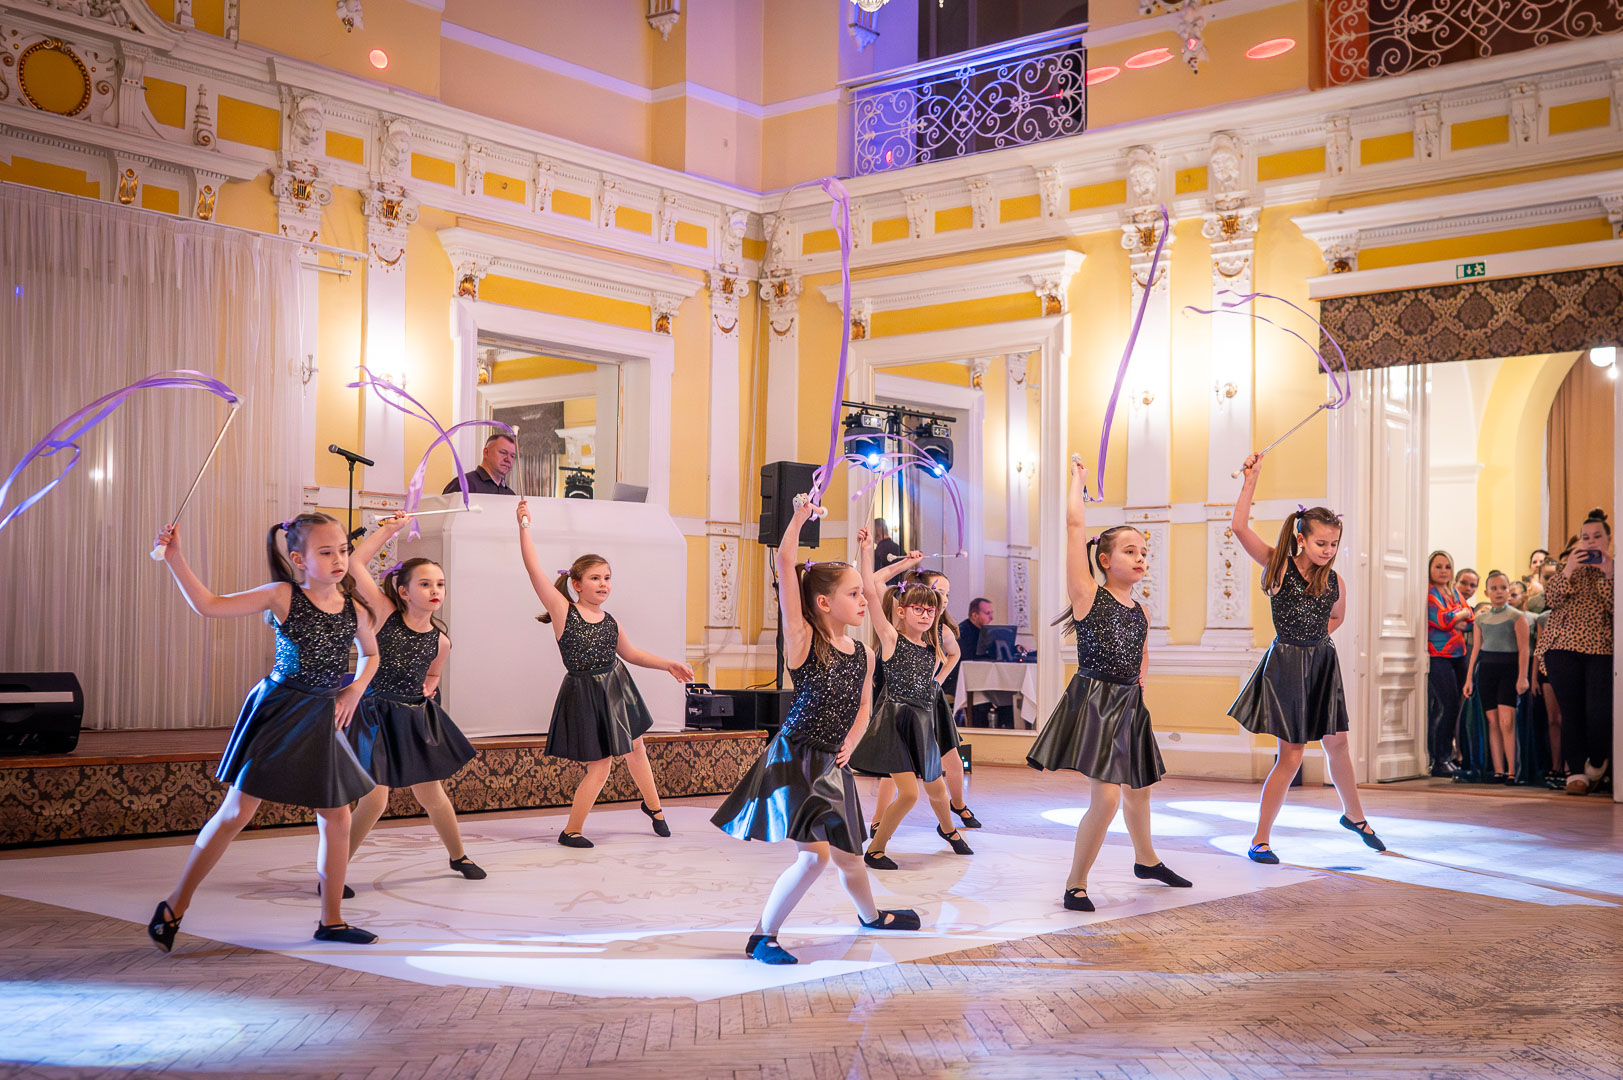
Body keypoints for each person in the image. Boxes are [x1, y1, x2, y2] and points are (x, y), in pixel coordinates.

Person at [148, 512, 384, 952]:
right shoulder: (282, 595)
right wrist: (175, 557)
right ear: (299, 559)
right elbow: (209, 605)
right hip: (281, 710)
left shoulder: (355, 608)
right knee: (237, 813)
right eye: (326, 552)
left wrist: (354, 689)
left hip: (325, 715)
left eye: (343, 551)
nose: (338, 560)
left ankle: (331, 921)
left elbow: (371, 654)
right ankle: (173, 906)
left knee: (338, 816)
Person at [712, 493, 922, 965]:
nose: (864, 600)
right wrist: (799, 517)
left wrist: (852, 741)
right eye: (854, 594)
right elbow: (785, 563)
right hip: (798, 758)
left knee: (849, 854)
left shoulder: (865, 654)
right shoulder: (803, 639)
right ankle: (762, 936)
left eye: (863, 593)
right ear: (824, 602)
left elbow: (864, 706)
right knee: (815, 857)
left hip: (833, 761)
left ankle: (871, 916)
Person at [1026, 459, 1191, 911]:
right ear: (1104, 560)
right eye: (1130, 551)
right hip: (1096, 702)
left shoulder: (1142, 611)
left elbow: (1142, 654)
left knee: (1140, 788)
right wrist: (1078, 481)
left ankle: (1147, 860)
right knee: (1107, 797)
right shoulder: (1087, 595)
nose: (1141, 558)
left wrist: (1141, 682)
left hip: (1129, 704)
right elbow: (1074, 526)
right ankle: (1075, 883)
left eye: (1143, 552)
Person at [1228, 456, 1384, 863]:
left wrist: (1315, 643)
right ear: (1301, 538)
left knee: (1339, 744)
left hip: (1322, 664)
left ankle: (1355, 816)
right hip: (1289, 665)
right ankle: (1260, 839)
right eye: (1320, 544)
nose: (1328, 551)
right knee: (1292, 754)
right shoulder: (1279, 567)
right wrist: (1252, 479)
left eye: (1333, 544)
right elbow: (1240, 527)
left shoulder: (1335, 581)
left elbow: (1337, 617)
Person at [516, 501, 694, 845]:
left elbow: (632, 654)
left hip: (616, 688)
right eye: (595, 578)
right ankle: (571, 831)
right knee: (600, 767)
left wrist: (668, 664)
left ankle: (654, 807)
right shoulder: (563, 610)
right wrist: (524, 526)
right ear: (576, 584)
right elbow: (533, 568)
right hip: (585, 692)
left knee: (636, 749)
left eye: (607, 578)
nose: (603, 584)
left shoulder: (611, 621)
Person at [344, 517, 484, 878]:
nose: (435, 590)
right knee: (375, 799)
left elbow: (434, 671)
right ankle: (335, 869)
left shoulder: (441, 641)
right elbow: (355, 564)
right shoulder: (385, 613)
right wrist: (388, 531)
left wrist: (431, 684)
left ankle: (458, 856)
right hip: (374, 715)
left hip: (412, 717)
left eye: (440, 584)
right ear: (404, 592)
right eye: (425, 584)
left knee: (431, 794)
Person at [849, 527, 974, 870]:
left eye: (930, 610)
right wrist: (869, 551)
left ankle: (948, 830)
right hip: (896, 724)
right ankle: (876, 850)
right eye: (917, 609)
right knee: (909, 793)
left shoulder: (934, 645)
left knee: (937, 789)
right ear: (902, 611)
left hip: (923, 722)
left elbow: (951, 653)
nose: (925, 614)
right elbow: (871, 589)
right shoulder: (891, 639)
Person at [871, 568, 980, 831]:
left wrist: (937, 680)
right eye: (939, 591)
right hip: (902, 700)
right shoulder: (903, 620)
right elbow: (875, 583)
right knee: (895, 765)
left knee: (952, 758)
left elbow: (954, 654)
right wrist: (905, 563)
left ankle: (958, 805)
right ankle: (878, 819)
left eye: (947, 594)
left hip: (930, 699)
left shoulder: (942, 630)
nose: (944, 598)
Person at [1538, 510, 1614, 796]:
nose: (1590, 542)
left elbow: (1616, 608)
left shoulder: (1615, 569)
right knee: (1571, 712)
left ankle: (1597, 761)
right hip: (1561, 647)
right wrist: (1569, 568)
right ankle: (1577, 774)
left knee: (1598, 712)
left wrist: (1608, 573)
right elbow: (1551, 600)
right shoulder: (1566, 567)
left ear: (1608, 539)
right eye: (1585, 537)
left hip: (1600, 648)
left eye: (1597, 536)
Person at [1462, 571, 1529, 784]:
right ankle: (1499, 770)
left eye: (1503, 588)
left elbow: (1524, 649)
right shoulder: (1481, 619)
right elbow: (1476, 650)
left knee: (1506, 721)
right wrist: (1469, 679)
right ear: (1486, 592)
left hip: (1509, 670)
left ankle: (1512, 770)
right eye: (1494, 588)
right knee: (1492, 721)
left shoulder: (1516, 617)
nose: (1499, 592)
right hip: (1487, 671)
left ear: (1509, 591)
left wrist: (1523, 677)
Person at [1426, 550, 1473, 777]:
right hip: (1439, 655)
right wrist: (1459, 615)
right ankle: (1439, 759)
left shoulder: (1453, 591)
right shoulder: (1430, 593)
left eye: (1447, 566)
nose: (1443, 571)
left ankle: (1449, 756)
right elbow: (1442, 620)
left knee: (1456, 705)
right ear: (1429, 569)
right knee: (1446, 706)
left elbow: (1471, 619)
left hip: (1458, 653)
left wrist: (1459, 615)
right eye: (1438, 566)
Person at [443, 432, 518, 496]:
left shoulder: (510, 495)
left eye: (512, 456)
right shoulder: (464, 485)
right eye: (503, 452)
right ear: (486, 453)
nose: (508, 459)